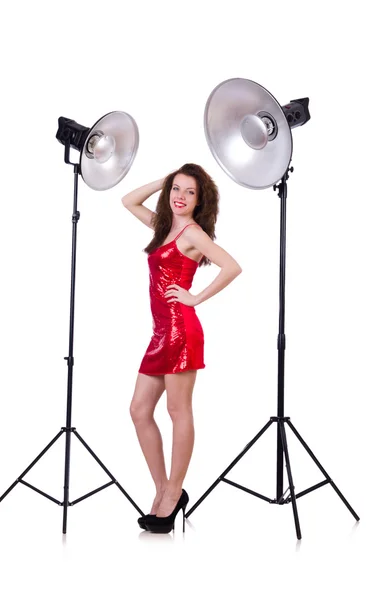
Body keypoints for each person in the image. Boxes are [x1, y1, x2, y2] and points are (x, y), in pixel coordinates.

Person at [122, 163, 242, 533]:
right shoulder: (163, 227)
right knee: (139, 410)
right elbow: (128, 200)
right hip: (160, 332)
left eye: (190, 192)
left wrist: (195, 298)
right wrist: (165, 179)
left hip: (180, 330)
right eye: (177, 189)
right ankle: (162, 488)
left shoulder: (192, 233)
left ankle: (173, 494)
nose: (180, 197)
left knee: (177, 410)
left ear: (199, 200)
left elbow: (232, 266)